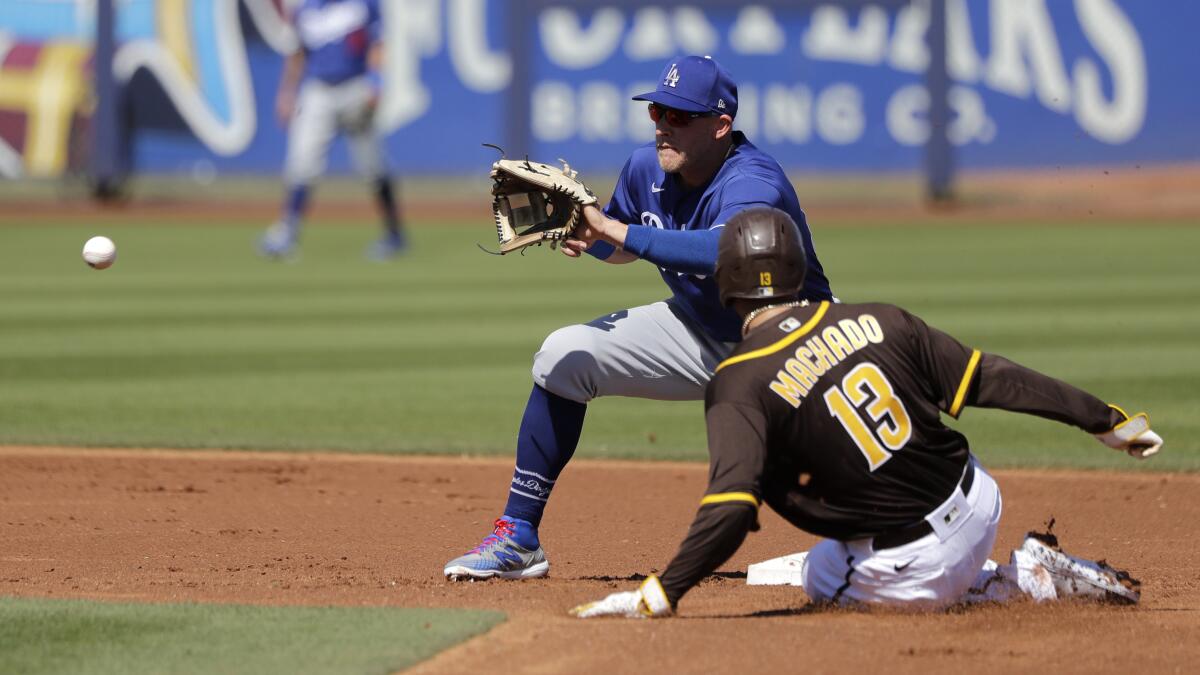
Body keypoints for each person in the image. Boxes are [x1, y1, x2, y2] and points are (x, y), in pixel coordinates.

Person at [569, 207, 1163, 618]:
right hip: (980, 496)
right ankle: (975, 567)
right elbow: (992, 379)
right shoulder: (882, 317)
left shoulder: (737, 383)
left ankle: (1020, 584)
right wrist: (1102, 418)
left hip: (917, 558)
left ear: (725, 281)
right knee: (831, 543)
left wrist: (660, 593)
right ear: (798, 268)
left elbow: (730, 509)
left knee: (820, 580)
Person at [443, 55, 835, 580]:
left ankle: (929, 535)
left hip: (794, 345)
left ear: (722, 125)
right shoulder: (646, 167)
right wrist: (591, 237)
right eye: (657, 112)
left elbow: (727, 245)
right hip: (699, 330)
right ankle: (518, 536)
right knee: (563, 356)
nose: (664, 126)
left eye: (680, 116)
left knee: (863, 462)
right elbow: (621, 240)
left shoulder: (754, 179)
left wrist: (616, 232)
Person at [259, 0, 406, 260]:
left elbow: (377, 44)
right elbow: (296, 54)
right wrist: (287, 92)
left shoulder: (363, 5)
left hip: (355, 86)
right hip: (318, 91)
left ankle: (394, 234)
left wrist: (375, 80)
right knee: (302, 163)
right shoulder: (306, 10)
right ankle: (287, 233)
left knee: (373, 165)